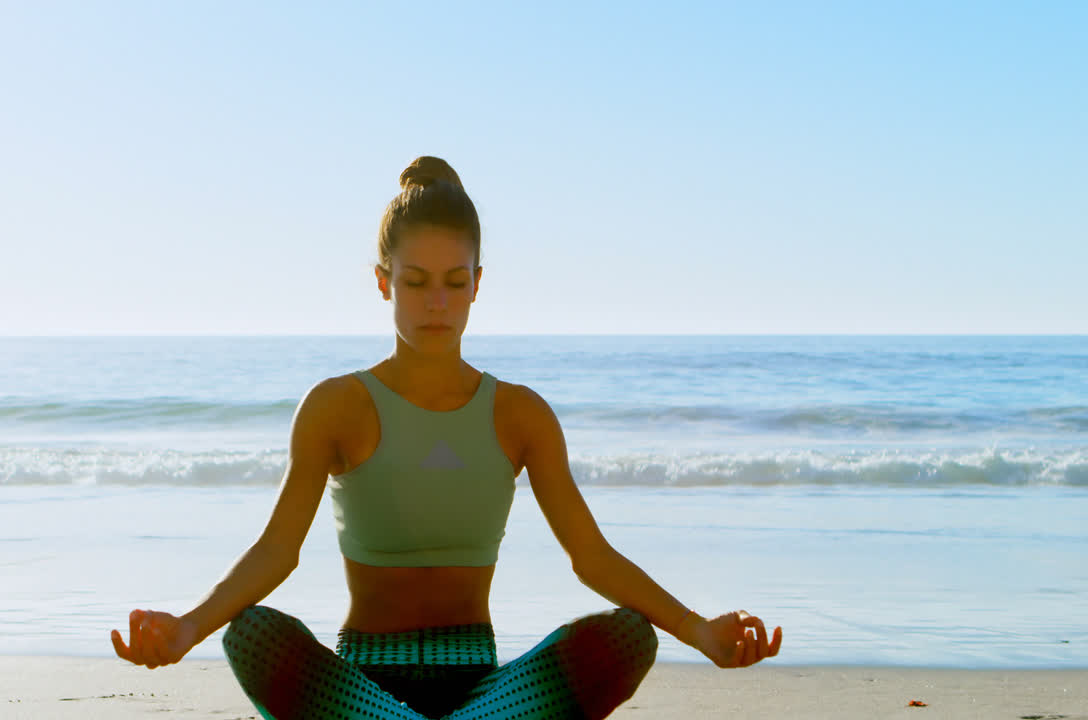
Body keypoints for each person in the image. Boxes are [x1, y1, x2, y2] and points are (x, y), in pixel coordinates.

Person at [111, 156, 783, 719]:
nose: (437, 304)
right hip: (357, 691)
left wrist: (699, 632)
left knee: (629, 636)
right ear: (383, 283)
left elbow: (592, 558)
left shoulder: (521, 415)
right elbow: (275, 551)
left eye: (454, 284)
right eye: (416, 283)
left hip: (492, 694)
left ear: (477, 286)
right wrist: (188, 627)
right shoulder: (335, 405)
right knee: (252, 634)